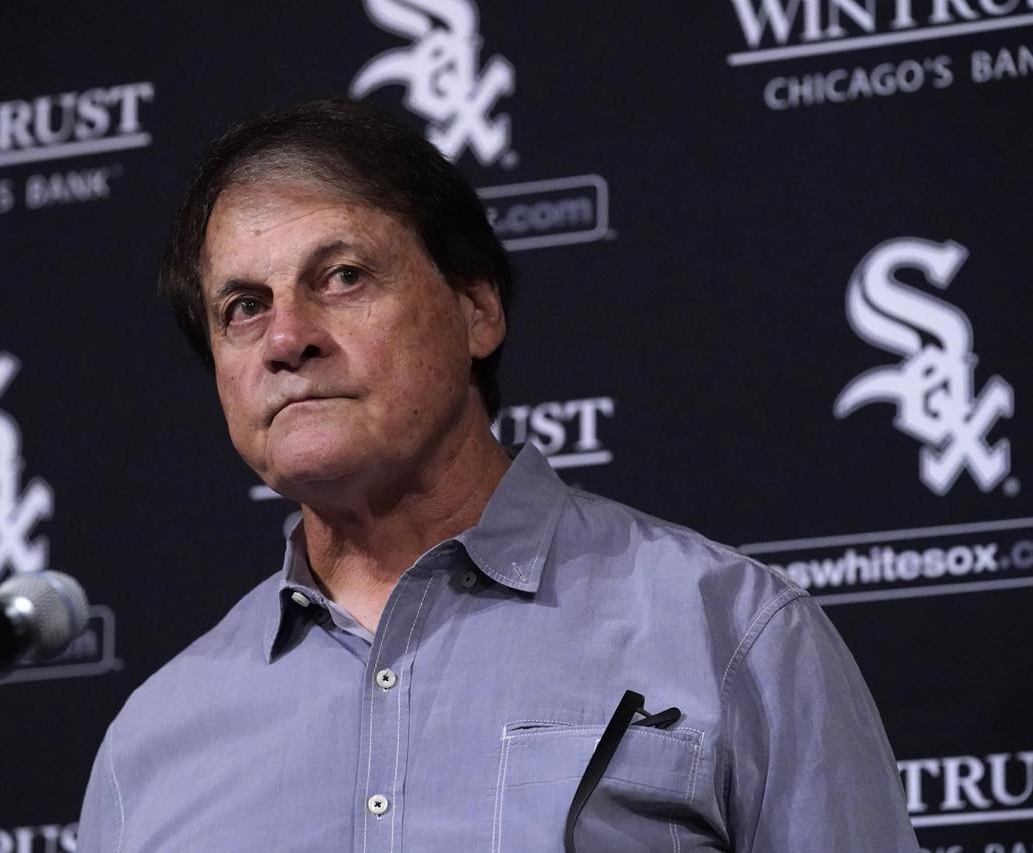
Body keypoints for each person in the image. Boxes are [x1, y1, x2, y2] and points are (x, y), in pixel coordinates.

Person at [76, 99, 919, 852]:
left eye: (343, 276)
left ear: (476, 311)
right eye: (243, 307)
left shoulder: (732, 635)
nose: (287, 338)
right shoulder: (150, 746)